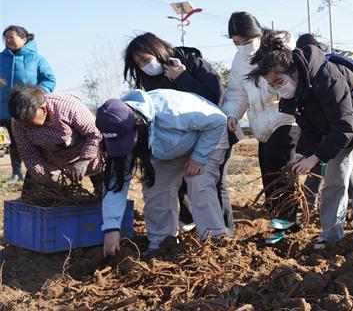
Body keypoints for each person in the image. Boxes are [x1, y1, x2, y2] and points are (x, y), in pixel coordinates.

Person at [248, 32, 353, 257]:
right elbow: (310, 127)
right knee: (333, 182)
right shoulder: (294, 94)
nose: (279, 89)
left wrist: (316, 157)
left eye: (279, 82)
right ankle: (331, 235)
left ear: (293, 71)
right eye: (273, 86)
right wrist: (302, 153)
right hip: (337, 132)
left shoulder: (326, 76)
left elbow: (345, 125)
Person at [96, 89, 230, 257]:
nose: (124, 147)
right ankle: (162, 245)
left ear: (138, 123)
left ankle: (214, 241)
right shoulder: (116, 124)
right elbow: (116, 183)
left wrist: (199, 157)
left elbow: (218, 121)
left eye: (125, 140)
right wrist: (111, 227)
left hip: (208, 136)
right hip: (168, 147)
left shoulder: (172, 110)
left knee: (197, 181)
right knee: (155, 188)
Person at [122, 32, 232, 233]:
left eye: (145, 60)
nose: (144, 66)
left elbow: (214, 98)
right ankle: (171, 235)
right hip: (178, 138)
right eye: (139, 64)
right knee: (167, 184)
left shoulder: (191, 63)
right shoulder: (149, 79)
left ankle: (220, 234)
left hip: (211, 131)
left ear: (158, 50)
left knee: (207, 182)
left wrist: (181, 77)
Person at [222, 13, 298, 235]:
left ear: (257, 33)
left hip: (286, 117)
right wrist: (232, 115)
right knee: (267, 169)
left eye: (247, 41)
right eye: (237, 43)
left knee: (279, 164)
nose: (243, 47)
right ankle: (277, 217)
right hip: (262, 124)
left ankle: (288, 220)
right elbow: (237, 93)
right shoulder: (239, 61)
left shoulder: (278, 50)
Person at [8, 86, 104, 192]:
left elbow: (94, 133)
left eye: (32, 124)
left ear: (43, 109)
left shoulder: (69, 107)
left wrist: (84, 160)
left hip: (85, 151)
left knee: (105, 192)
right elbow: (29, 155)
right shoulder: (18, 123)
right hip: (52, 159)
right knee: (34, 196)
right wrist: (44, 178)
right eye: (25, 125)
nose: (29, 128)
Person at [0, 26, 57, 183]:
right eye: (5, 38)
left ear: (24, 39)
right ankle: (16, 173)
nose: (8, 41)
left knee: (18, 141)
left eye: (11, 37)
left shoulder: (36, 59)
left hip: (25, 109)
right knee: (8, 141)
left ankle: (24, 174)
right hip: (2, 107)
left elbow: (49, 79)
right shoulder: (0, 58)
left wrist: (36, 94)